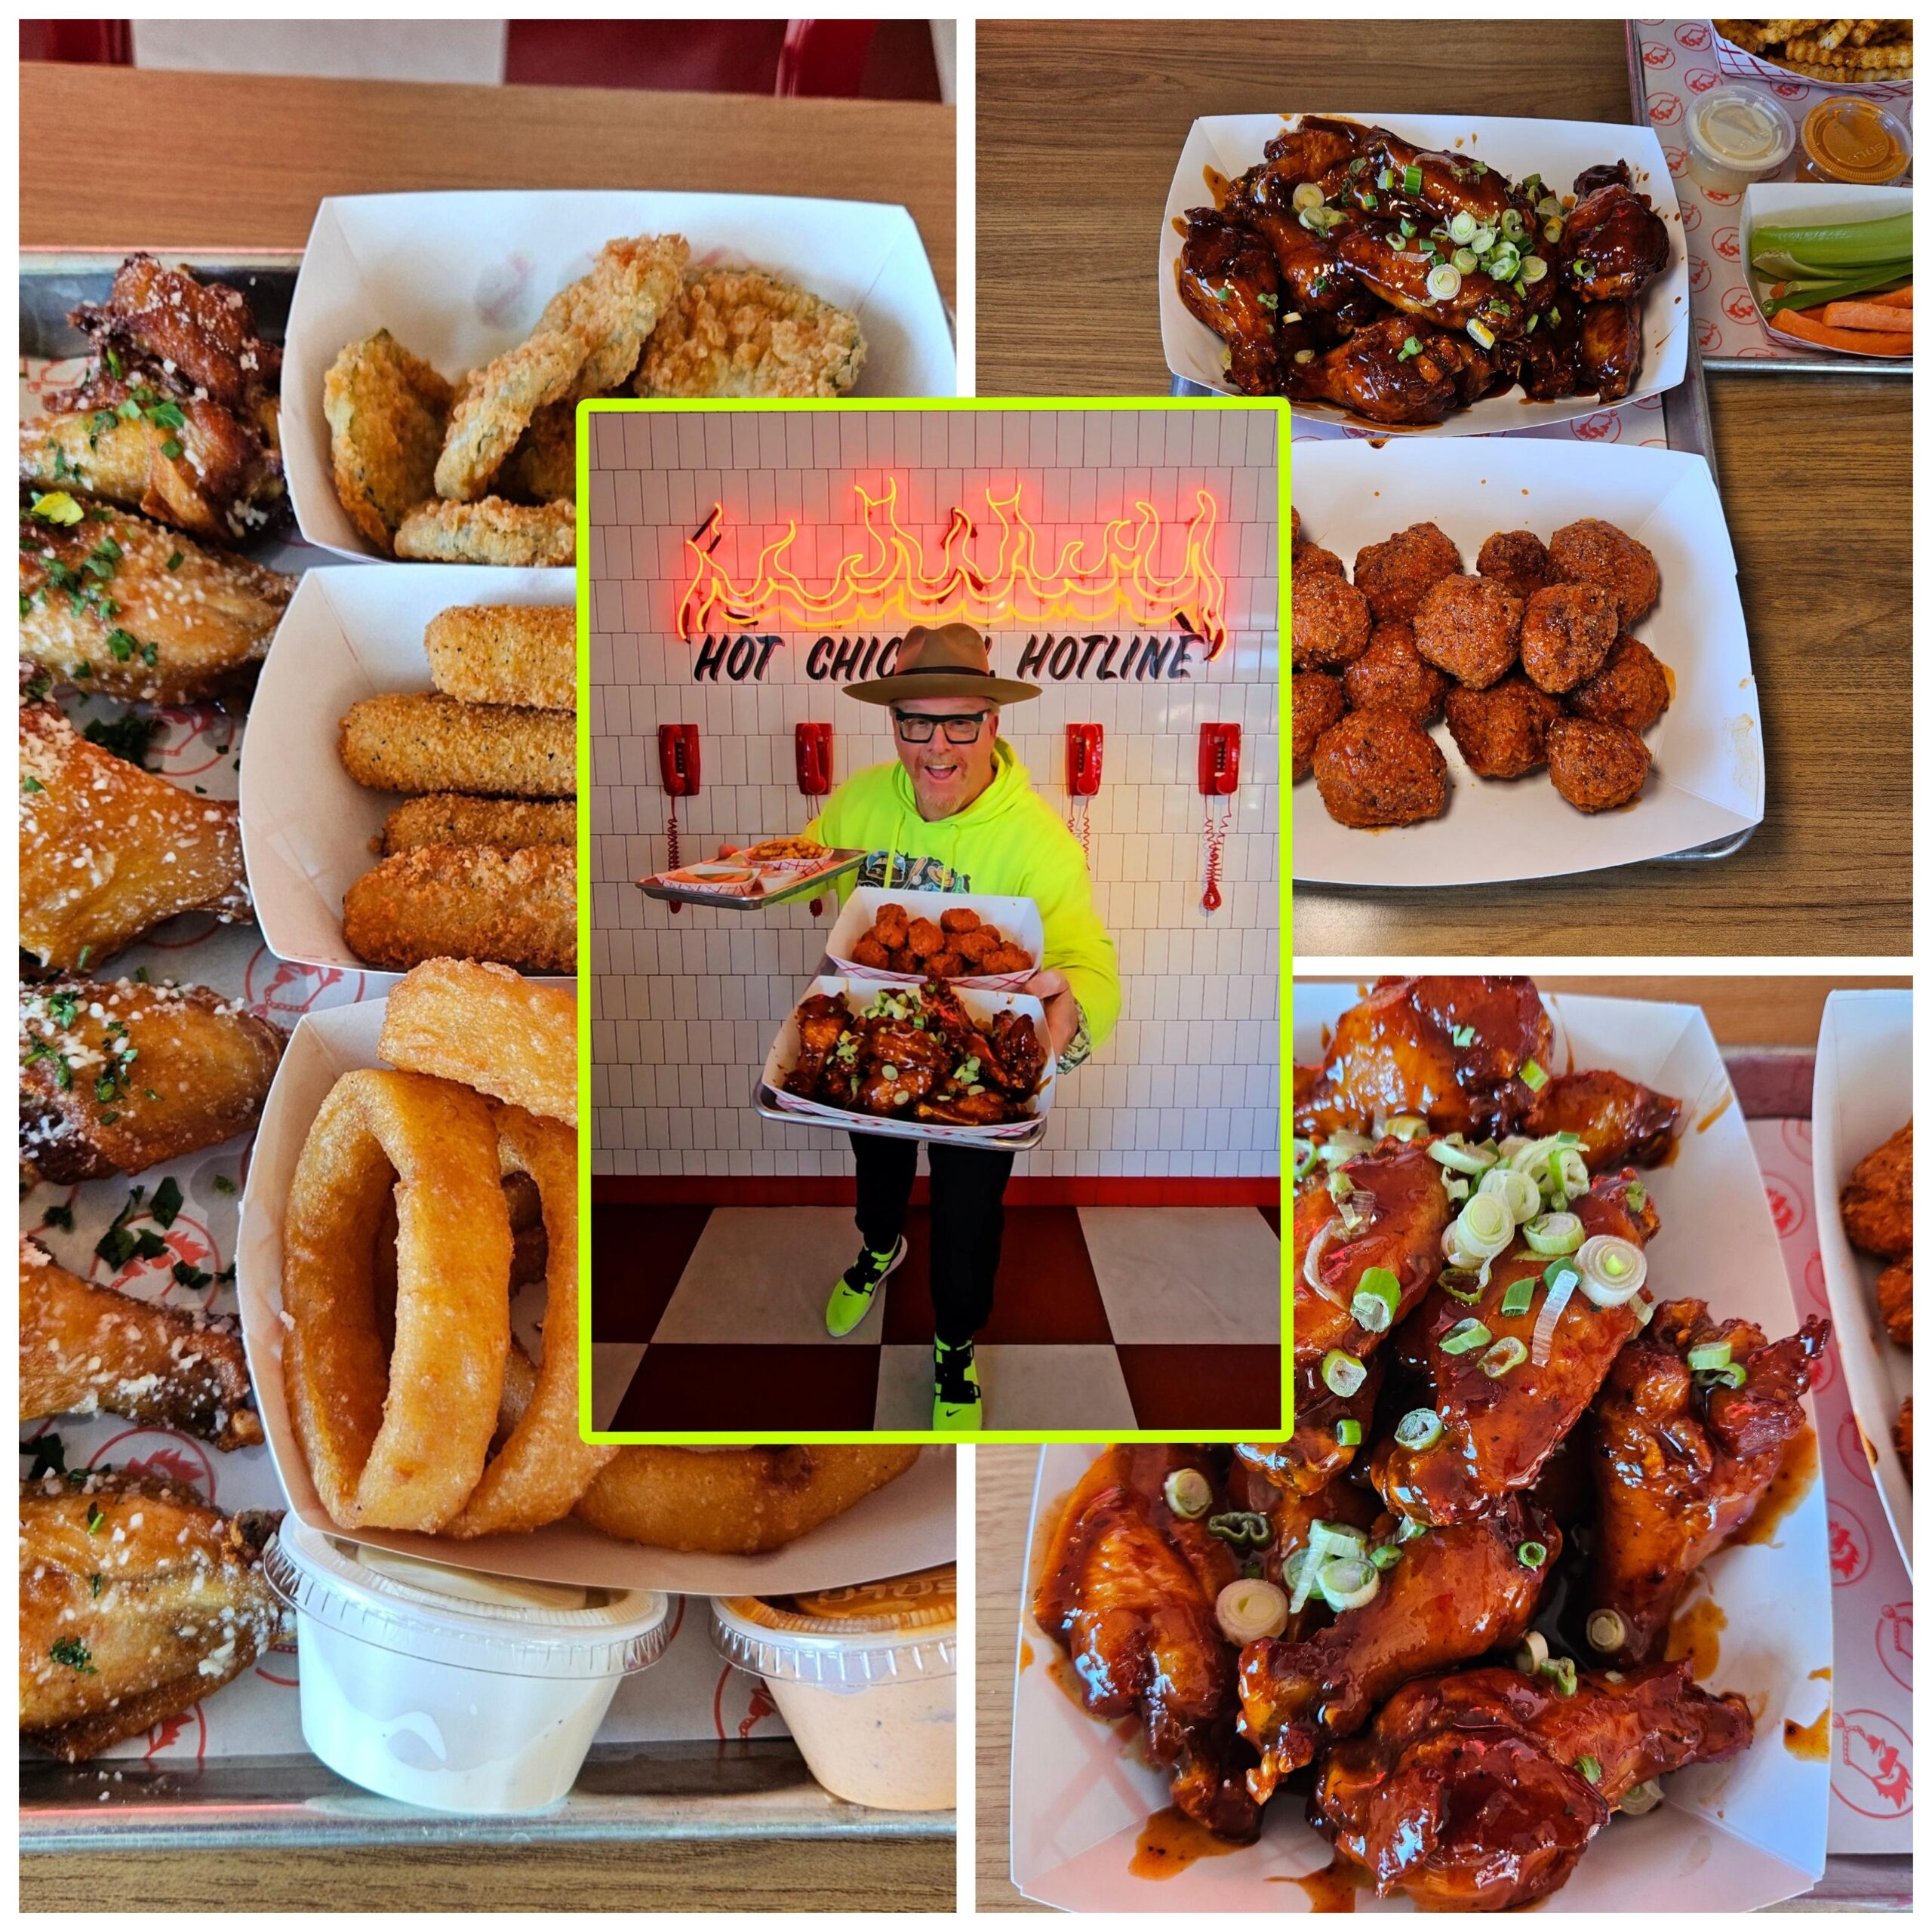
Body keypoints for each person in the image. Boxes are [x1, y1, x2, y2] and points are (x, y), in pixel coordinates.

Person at [805, 622, 1120, 1429]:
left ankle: (953, 1345)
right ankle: (878, 1247)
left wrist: (1056, 1021)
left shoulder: (1038, 841)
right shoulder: (864, 797)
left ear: (993, 720)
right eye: (916, 720)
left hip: (977, 1066)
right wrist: (783, 879)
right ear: (894, 722)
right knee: (877, 1170)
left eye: (959, 722)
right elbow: (811, 859)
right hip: (876, 1041)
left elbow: (1088, 960)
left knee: (969, 1210)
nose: (936, 745)